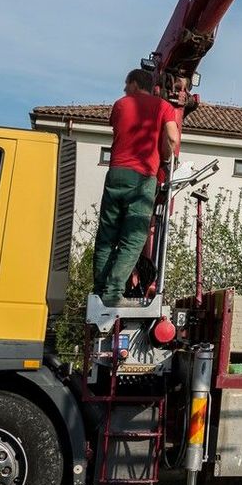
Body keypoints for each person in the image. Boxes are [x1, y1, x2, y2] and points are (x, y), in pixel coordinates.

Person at [92, 68, 179, 307]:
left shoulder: (120, 105)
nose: (124, 89)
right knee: (133, 238)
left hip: (116, 173)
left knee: (107, 236)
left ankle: (99, 291)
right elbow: (172, 138)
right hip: (142, 178)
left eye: (126, 84)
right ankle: (112, 293)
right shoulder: (164, 107)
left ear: (134, 84)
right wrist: (165, 157)